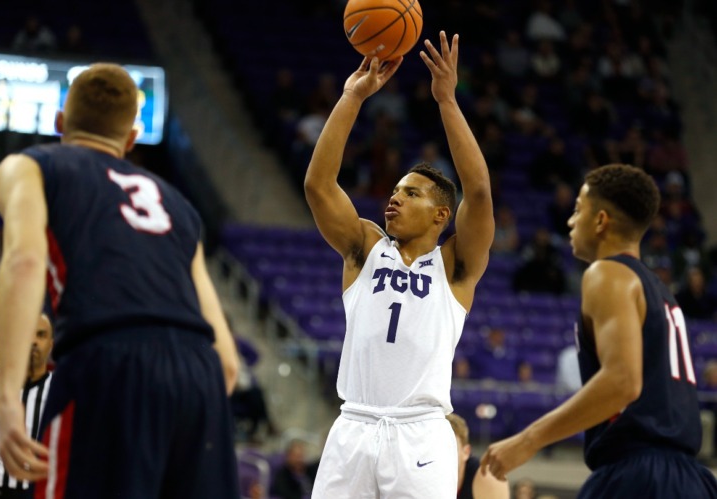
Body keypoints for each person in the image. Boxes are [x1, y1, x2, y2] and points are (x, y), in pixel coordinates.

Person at [0, 63, 240, 498]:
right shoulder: (179, 206)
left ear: (59, 123)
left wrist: (8, 393)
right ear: (130, 138)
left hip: (108, 359)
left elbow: (24, 263)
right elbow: (229, 363)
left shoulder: (30, 166)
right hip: (201, 376)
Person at [305, 31, 495, 498]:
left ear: (440, 214)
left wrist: (446, 101)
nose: (394, 198)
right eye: (394, 190)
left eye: (411, 193)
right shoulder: (365, 246)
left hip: (421, 432)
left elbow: (481, 192)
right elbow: (318, 185)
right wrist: (352, 97)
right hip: (353, 425)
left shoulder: (455, 267)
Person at [480, 164, 717, 498]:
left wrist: (527, 440)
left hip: (639, 475)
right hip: (692, 479)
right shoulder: (661, 291)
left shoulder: (607, 273)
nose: (570, 221)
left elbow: (622, 381)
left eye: (578, 210)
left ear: (601, 220)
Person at [0, 314, 53, 499]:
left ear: (51, 344)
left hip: (37, 492)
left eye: (41, 335)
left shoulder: (60, 391)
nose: (34, 342)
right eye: (27, 334)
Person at [447, 413, 509, 499]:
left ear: (466, 452)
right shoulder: (424, 475)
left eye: (448, 448)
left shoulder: (487, 475)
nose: (441, 455)